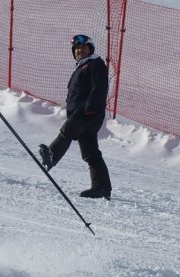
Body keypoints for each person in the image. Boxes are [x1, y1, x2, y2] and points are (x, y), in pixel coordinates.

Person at [38, 34, 112, 200]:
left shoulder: (95, 64)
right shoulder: (82, 67)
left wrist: (90, 108)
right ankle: (102, 188)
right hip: (83, 112)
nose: (80, 50)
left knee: (67, 130)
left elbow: (100, 87)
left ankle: (51, 156)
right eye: (77, 48)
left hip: (88, 112)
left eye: (83, 48)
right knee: (90, 152)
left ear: (90, 50)